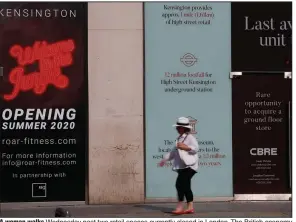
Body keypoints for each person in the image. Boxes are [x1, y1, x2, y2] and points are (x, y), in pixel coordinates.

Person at [159, 117, 199, 214]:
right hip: (182, 167)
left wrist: (186, 147)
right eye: (177, 127)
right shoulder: (178, 139)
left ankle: (180, 207)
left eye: (179, 127)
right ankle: (190, 207)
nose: (177, 129)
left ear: (184, 128)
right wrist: (164, 160)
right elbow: (173, 153)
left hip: (190, 166)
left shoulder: (189, 137)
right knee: (186, 186)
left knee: (179, 184)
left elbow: (196, 148)